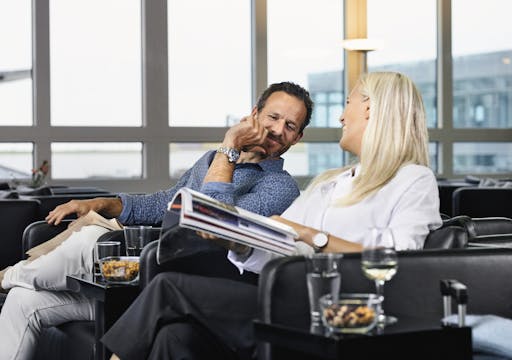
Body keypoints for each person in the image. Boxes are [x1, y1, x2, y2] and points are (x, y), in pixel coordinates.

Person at [101, 71, 443, 360]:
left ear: (370, 109)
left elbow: (403, 262)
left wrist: (311, 236)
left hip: (335, 310)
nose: (341, 117)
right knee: (173, 338)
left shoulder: (413, 179)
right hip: (294, 298)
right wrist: (238, 242)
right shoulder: (330, 184)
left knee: (165, 287)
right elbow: (277, 243)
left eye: (348, 105)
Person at [0, 81, 314, 360]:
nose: (276, 129)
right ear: (255, 113)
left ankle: (7, 276)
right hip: (146, 273)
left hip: (183, 284)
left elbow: (216, 225)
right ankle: (12, 281)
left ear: (297, 138)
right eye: (273, 117)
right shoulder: (210, 161)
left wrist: (229, 149)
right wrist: (103, 203)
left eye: (289, 126)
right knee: (23, 300)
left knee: (87, 240)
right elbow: (165, 202)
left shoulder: (280, 187)